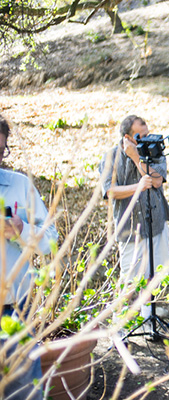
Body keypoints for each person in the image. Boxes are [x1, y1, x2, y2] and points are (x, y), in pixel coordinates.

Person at [0, 114, 57, 400]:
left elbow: (51, 241)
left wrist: (22, 229)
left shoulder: (20, 185)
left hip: (15, 310)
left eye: (0, 152)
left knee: (24, 394)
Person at [99, 115, 169, 322]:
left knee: (154, 273)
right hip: (129, 226)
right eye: (142, 135)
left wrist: (136, 157)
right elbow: (109, 191)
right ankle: (118, 323)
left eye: (148, 133)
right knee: (129, 278)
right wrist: (137, 186)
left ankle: (148, 317)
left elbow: (157, 181)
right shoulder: (111, 157)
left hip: (155, 222)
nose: (147, 138)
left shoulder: (153, 150)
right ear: (127, 137)